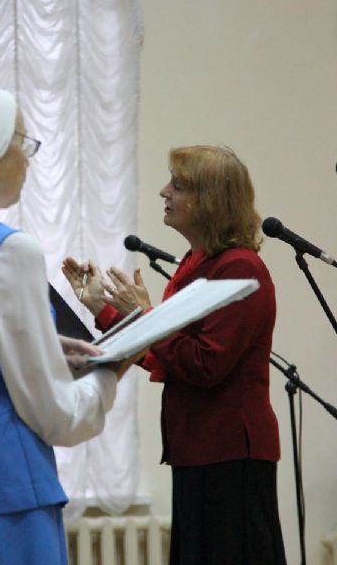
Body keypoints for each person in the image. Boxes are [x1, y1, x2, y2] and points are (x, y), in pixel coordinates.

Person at [0, 79, 131, 565]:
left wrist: (43, 344)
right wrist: (111, 371)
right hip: (0, 500)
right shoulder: (7, 251)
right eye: (21, 142)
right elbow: (55, 414)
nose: (28, 159)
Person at [63, 145, 287, 565]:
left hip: (231, 454)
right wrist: (102, 309)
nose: (164, 191)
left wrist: (147, 315)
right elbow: (163, 357)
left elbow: (205, 365)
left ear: (210, 200)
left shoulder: (240, 268)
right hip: (197, 449)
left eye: (178, 185)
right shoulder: (196, 264)